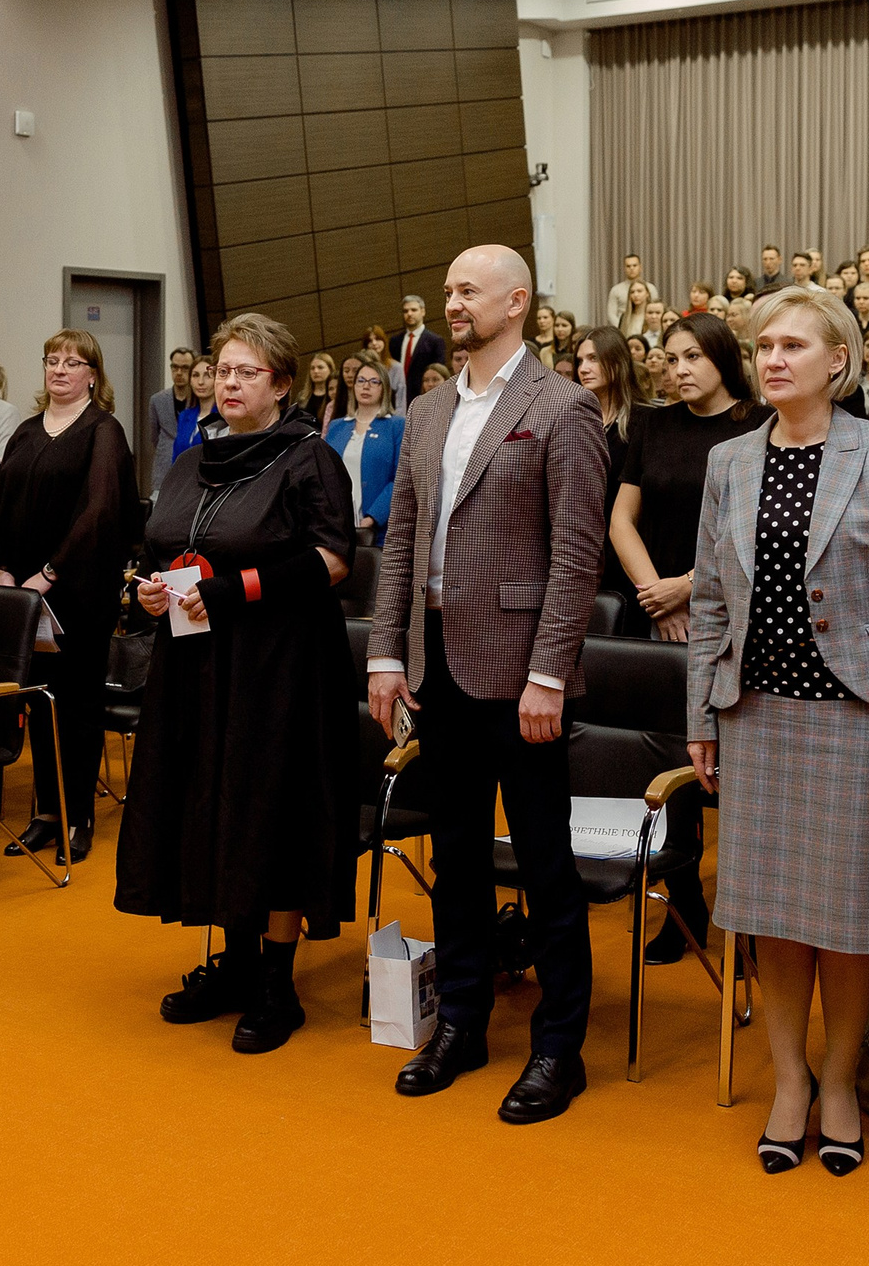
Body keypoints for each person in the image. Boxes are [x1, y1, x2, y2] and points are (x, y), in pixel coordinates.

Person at [685, 286, 869, 1178]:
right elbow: (713, 599)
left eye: (794, 345)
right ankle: (789, 1080)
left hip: (861, 717)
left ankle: (840, 1081)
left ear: (838, 361)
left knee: (848, 918)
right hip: (756, 714)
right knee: (770, 914)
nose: (772, 359)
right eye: (764, 345)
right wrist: (702, 718)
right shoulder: (729, 461)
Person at [368, 244, 606, 1125]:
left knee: (546, 865)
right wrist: (385, 653)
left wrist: (549, 673)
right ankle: (461, 1022)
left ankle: (558, 1048)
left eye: (467, 290)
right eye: (446, 290)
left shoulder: (565, 406)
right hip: (437, 661)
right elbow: (401, 541)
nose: (452, 301)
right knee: (457, 856)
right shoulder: (429, 409)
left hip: (521, 672)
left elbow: (577, 554)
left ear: (518, 301)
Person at [121, 314, 359, 1052]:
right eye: (220, 371)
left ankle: (276, 985)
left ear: (282, 385)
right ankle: (235, 962)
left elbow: (332, 561)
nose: (226, 382)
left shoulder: (309, 460)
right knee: (208, 803)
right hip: (196, 665)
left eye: (245, 372)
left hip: (279, 669)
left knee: (271, 812)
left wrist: (236, 589)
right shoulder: (192, 461)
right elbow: (159, 547)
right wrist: (146, 592)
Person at [0, 329, 139, 864]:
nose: (60, 370)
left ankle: (78, 817)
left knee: (77, 707)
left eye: (73, 363)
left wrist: (50, 572)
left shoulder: (103, 430)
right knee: (37, 702)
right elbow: (2, 505)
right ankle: (45, 814)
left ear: (92, 376)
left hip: (77, 591)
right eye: (52, 360)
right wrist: (3, 568)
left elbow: (100, 510)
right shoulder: (26, 432)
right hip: (24, 592)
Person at [610, 314, 764, 642]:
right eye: (671, 359)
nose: (679, 370)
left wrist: (686, 586)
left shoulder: (760, 425)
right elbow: (622, 521)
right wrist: (659, 601)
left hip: (729, 602)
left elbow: (756, 527)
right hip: (652, 602)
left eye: (693, 356)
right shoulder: (653, 424)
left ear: (722, 355)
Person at [325, 359, 402, 546]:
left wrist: (372, 518)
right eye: (361, 380)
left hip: (380, 530)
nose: (366, 386)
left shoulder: (396, 425)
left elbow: (401, 478)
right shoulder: (336, 427)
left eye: (373, 381)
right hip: (338, 527)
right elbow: (325, 475)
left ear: (384, 388)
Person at [148, 347, 197, 494]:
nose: (179, 373)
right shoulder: (157, 400)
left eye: (185, 368)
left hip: (192, 469)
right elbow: (154, 436)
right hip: (163, 468)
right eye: (175, 367)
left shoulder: (199, 401)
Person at [389, 296, 446, 413]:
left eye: (413, 310)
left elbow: (438, 373)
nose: (409, 314)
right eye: (405, 311)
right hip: (398, 400)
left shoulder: (435, 341)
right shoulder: (395, 341)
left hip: (424, 399)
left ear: (423, 311)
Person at [604, 253, 647, 330]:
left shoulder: (650, 288)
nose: (631, 268)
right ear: (624, 268)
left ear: (640, 267)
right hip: (623, 328)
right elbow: (611, 314)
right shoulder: (616, 290)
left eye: (634, 265)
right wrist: (622, 327)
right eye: (628, 266)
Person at [301, 351, 342, 431]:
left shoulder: (336, 394)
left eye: (320, 367)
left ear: (330, 369)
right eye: (312, 368)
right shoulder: (302, 397)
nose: (316, 371)